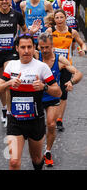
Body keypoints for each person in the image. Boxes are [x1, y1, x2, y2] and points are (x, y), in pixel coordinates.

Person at [0, 34, 61, 170]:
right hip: (15, 121)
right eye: (23, 47)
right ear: (17, 48)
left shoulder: (41, 67)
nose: (26, 50)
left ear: (34, 48)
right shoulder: (11, 66)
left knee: (37, 159)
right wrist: (9, 83)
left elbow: (58, 92)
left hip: (35, 121)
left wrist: (44, 87)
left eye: (29, 47)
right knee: (13, 162)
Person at [35, 33, 83, 167]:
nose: (44, 50)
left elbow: (78, 73)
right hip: (36, 97)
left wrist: (71, 82)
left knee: (51, 124)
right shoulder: (35, 56)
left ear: (52, 46)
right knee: (37, 129)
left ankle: (48, 151)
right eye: (42, 47)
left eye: (47, 47)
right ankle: (36, 150)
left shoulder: (60, 60)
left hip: (52, 97)